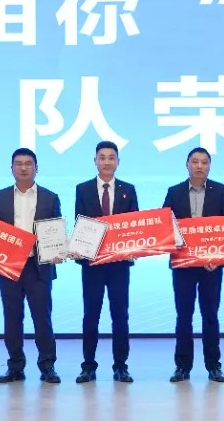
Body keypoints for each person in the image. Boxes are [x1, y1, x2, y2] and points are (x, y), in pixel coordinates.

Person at [0, 148, 63, 385]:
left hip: (38, 267)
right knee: (12, 319)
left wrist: (58, 251)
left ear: (36, 168)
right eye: (18, 163)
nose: (23, 167)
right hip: (9, 266)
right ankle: (15, 367)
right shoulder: (0, 197)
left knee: (42, 319)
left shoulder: (50, 197)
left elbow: (56, 231)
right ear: (11, 168)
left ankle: (47, 366)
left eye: (28, 163)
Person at [162, 147, 224, 383]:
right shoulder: (174, 192)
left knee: (210, 315)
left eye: (204, 162)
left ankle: (214, 365)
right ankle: (182, 366)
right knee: (184, 316)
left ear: (209, 166)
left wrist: (218, 258)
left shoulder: (220, 191)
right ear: (187, 165)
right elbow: (164, 227)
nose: (199, 166)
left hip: (212, 266)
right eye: (195, 161)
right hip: (183, 265)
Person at [74, 141, 139, 384]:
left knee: (120, 315)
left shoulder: (128, 190)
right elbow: (80, 223)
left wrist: (134, 248)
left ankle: (121, 366)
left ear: (118, 162)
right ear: (95, 161)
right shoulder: (82, 189)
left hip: (119, 265)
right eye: (102, 157)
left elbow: (135, 225)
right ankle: (88, 366)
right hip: (92, 264)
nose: (107, 162)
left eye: (111, 157)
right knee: (91, 315)